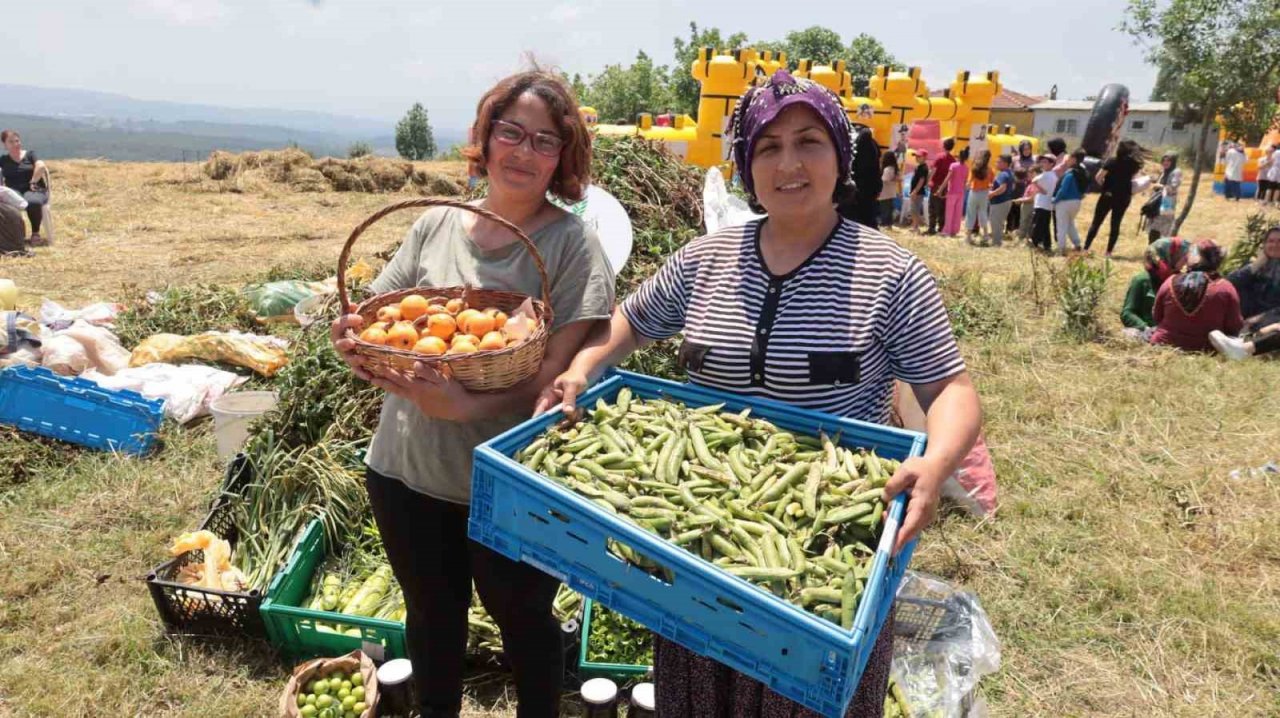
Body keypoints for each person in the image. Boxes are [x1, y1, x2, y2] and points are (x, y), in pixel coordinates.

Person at [536, 69, 982, 718]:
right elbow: (629, 320)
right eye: (767, 147)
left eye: (808, 142)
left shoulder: (891, 274)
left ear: (840, 154)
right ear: (746, 163)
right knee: (700, 695)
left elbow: (951, 390)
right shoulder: (705, 259)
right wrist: (581, 369)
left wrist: (937, 464)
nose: (788, 162)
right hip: (700, 547)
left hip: (828, 547)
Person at [330, 70, 616, 718]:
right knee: (431, 619)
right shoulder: (434, 226)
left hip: (510, 485)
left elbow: (553, 380)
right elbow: (383, 320)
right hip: (407, 472)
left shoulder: (573, 247)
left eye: (544, 140)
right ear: (484, 140)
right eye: (510, 132)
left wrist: (465, 407)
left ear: (562, 157)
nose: (523, 150)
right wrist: (349, 335)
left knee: (526, 626)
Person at [1150, 240, 1243, 351]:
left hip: (1164, 344)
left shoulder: (1170, 281)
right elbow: (1234, 325)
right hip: (1205, 348)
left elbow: (1156, 316)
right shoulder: (1225, 288)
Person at [1085, 139, 1145, 257]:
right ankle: (1108, 252)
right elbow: (1133, 179)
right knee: (1115, 224)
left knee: (1096, 222)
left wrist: (1105, 186)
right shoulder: (1134, 164)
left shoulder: (1112, 161)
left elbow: (1098, 177)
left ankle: (1086, 247)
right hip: (1123, 197)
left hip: (1108, 195)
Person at [1121, 237, 1190, 339]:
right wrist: (1145, 327)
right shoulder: (1142, 280)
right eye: (1183, 257)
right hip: (1147, 332)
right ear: (1170, 256)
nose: (1186, 261)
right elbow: (1127, 313)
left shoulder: (1179, 280)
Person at [0, 130, 50, 245]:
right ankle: (15, 235)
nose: (15, 144)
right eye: (11, 142)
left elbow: (41, 166)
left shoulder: (30, 154)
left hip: (34, 188)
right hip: (14, 190)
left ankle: (35, 233)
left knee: (32, 202)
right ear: (5, 145)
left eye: (17, 141)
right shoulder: (3, 160)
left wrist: (33, 181)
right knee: (7, 204)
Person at [1052, 149, 1087, 254]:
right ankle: (1077, 244)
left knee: (1061, 226)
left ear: (1074, 159)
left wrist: (1054, 201)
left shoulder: (1070, 174)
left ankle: (1061, 249)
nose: (1067, 160)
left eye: (1070, 158)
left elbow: (1063, 190)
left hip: (1064, 202)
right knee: (1070, 224)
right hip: (1077, 202)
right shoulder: (1083, 172)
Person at [1147, 152, 1182, 243]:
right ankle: (1153, 249)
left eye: (1168, 161)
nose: (1165, 162)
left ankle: (1158, 250)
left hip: (1167, 203)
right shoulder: (1164, 172)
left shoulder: (1176, 172)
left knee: (1162, 229)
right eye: (1164, 160)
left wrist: (1160, 186)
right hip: (1156, 203)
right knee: (1153, 228)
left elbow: (1174, 187)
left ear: (1173, 162)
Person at [927, 138, 956, 235]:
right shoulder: (953, 160)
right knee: (942, 208)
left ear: (943, 146)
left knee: (933, 207)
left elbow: (933, 170)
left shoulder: (939, 157)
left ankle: (931, 228)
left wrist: (928, 181)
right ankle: (941, 227)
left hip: (936, 185)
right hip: (946, 186)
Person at [1030, 154, 1058, 252]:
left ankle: (1034, 242)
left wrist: (1037, 187)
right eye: (1042, 161)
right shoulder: (1048, 174)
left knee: (1038, 224)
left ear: (1052, 164)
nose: (1043, 164)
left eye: (1045, 162)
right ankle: (1047, 244)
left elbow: (1045, 191)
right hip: (1045, 204)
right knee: (1045, 225)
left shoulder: (1048, 175)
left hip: (1043, 204)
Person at [965, 149, 992, 245]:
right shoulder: (989, 170)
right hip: (984, 193)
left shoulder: (974, 168)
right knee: (983, 213)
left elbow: (968, 183)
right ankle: (985, 235)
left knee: (970, 214)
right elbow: (991, 182)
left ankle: (968, 237)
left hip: (974, 192)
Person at [987, 154, 1015, 247]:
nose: (996, 164)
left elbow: (1003, 188)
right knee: (998, 222)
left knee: (996, 222)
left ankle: (996, 243)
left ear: (1006, 163)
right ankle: (996, 241)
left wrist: (992, 193)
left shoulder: (1003, 174)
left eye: (999, 162)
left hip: (1000, 202)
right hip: (1005, 201)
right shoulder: (1008, 173)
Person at [942, 147, 969, 237]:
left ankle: (947, 231)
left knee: (949, 212)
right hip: (961, 192)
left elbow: (947, 178)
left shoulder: (953, 165)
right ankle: (954, 230)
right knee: (958, 213)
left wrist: (941, 189)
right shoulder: (966, 168)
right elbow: (965, 181)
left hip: (952, 191)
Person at [904, 150, 930, 232]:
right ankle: (914, 226)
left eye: (919, 156)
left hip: (918, 192)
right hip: (916, 191)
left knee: (915, 210)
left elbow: (921, 181)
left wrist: (915, 191)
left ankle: (916, 227)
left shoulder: (924, 168)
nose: (917, 158)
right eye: (916, 156)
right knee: (913, 209)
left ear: (925, 157)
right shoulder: (919, 166)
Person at [877, 151, 900, 228]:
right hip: (891, 192)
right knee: (889, 208)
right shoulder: (895, 168)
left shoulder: (887, 169)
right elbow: (898, 178)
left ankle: (884, 223)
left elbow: (884, 179)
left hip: (884, 192)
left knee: (885, 209)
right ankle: (889, 224)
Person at [1013, 168, 1035, 240]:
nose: (1028, 174)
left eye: (1031, 173)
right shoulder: (1030, 183)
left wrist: (1020, 200)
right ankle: (1024, 236)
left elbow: (1032, 198)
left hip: (1029, 204)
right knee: (1024, 221)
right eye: (1029, 173)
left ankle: (1023, 236)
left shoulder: (1035, 184)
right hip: (1026, 204)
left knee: (1025, 221)